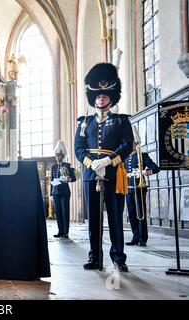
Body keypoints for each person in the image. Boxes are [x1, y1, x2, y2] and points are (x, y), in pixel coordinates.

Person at [75, 63, 134, 272]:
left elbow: (128, 145)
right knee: (93, 219)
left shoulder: (121, 121)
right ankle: (95, 257)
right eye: (98, 96)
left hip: (113, 173)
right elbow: (79, 149)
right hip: (91, 175)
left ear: (111, 97)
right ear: (94, 98)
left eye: (105, 96)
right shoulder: (84, 122)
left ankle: (118, 257)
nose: (101, 99)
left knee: (115, 218)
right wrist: (92, 163)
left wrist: (108, 161)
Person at [125, 132, 160, 247]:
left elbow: (155, 168)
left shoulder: (142, 155)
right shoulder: (126, 156)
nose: (131, 145)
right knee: (131, 214)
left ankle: (142, 238)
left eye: (133, 143)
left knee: (141, 213)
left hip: (139, 188)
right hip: (128, 188)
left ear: (136, 144)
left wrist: (143, 172)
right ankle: (135, 236)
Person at [50, 140, 76, 239]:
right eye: (56, 155)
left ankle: (66, 232)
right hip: (56, 192)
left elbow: (75, 177)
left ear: (63, 155)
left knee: (65, 212)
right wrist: (51, 194)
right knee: (58, 212)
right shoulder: (53, 167)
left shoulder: (67, 166)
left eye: (59, 155)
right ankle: (60, 231)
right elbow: (51, 181)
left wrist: (68, 179)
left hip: (65, 192)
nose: (57, 157)